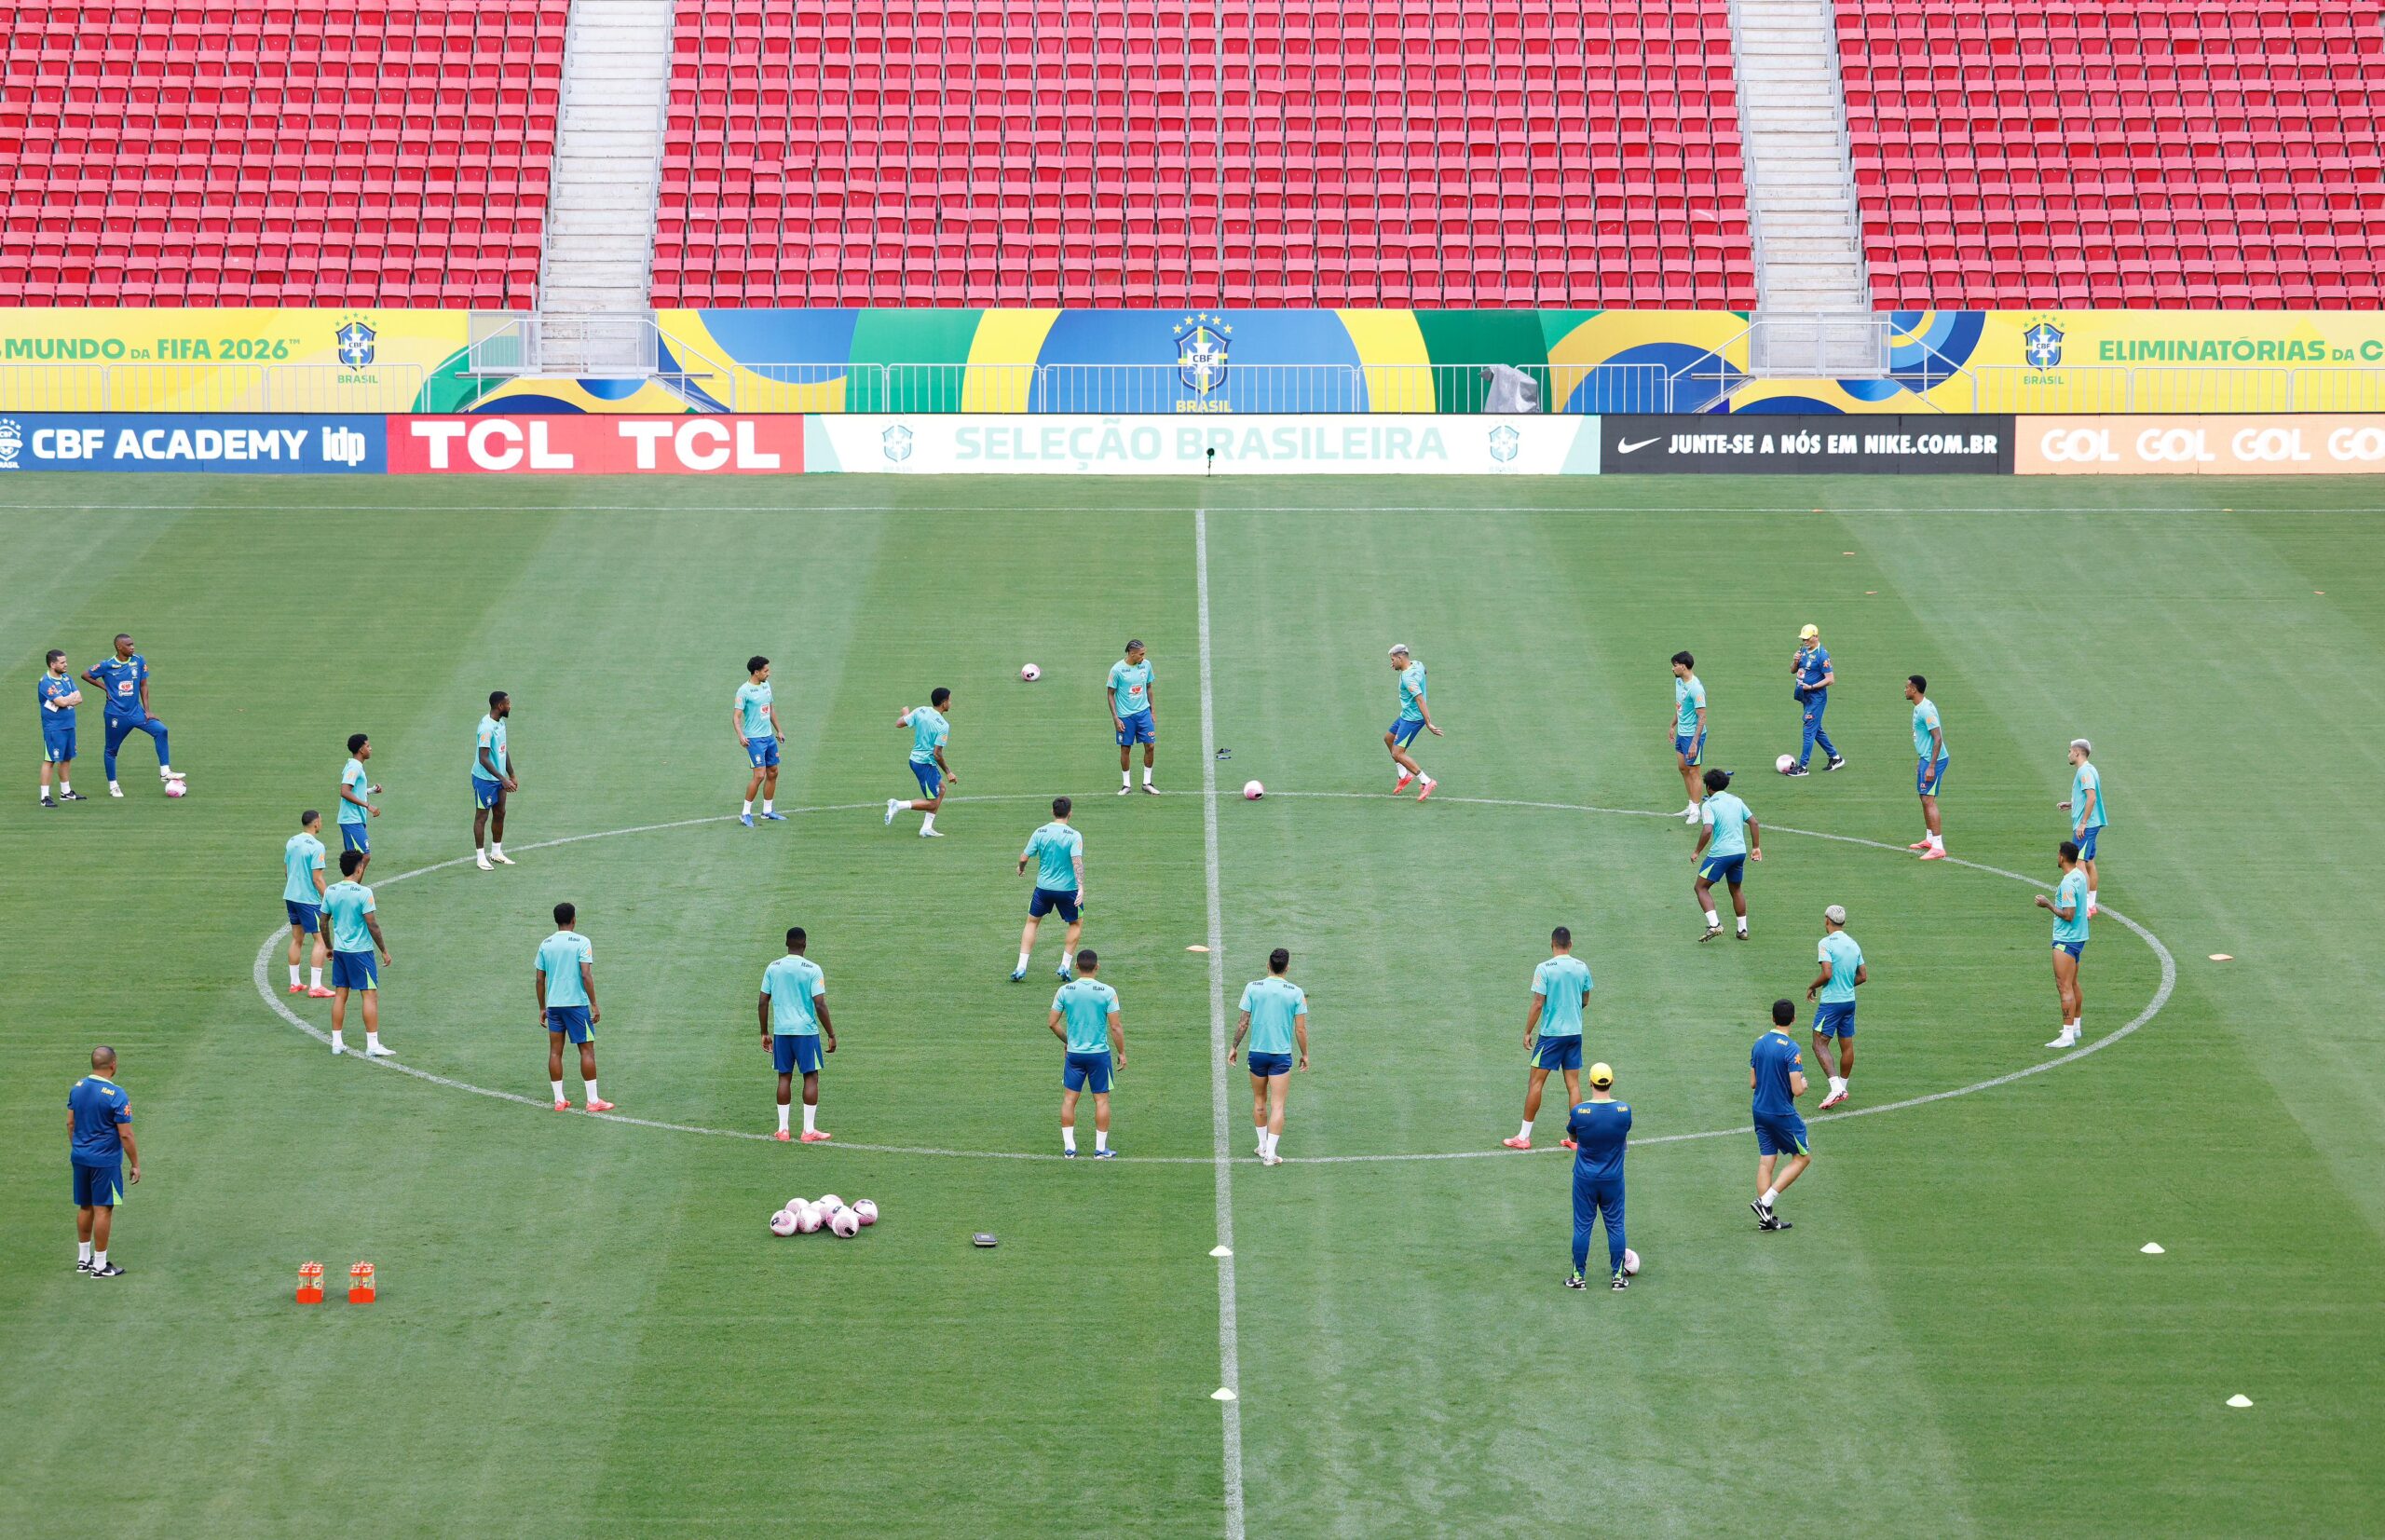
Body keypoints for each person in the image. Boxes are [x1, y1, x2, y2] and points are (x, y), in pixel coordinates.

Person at [1504, 925, 1594, 1151]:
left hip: (1551, 1036)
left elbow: (1537, 1004)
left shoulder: (1544, 968)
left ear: (1552, 944)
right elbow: (1585, 999)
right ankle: (1576, 1139)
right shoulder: (1582, 967)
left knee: (1536, 1082)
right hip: (1574, 1034)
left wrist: (1527, 1032)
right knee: (1573, 1085)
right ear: (1570, 944)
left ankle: (1524, 1137)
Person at [1228, 947, 1309, 1166]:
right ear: (1287, 968)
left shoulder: (1253, 988)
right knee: (1278, 1105)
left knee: (1259, 1101)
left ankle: (1262, 1145)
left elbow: (1243, 1022)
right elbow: (1300, 1030)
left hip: (1257, 1054)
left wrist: (1234, 1046)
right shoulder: (1295, 992)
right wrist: (1305, 1054)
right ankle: (1270, 1154)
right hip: (1281, 1056)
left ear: (1268, 965)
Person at [82, 633, 184, 797]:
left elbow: (144, 685)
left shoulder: (138, 660)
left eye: (133, 644)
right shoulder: (107, 665)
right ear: (119, 647)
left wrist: (148, 710)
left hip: (136, 712)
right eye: (128, 645)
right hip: (115, 715)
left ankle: (165, 771)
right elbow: (86, 675)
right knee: (111, 751)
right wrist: (105, 687)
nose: (132, 647)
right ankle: (113, 785)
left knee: (161, 730)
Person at [68, 1046, 139, 1278]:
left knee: (85, 1205)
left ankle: (83, 1259)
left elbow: (71, 1123)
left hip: (80, 1156)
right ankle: (99, 1265)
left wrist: (79, 1147)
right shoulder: (116, 1094)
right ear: (113, 1064)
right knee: (103, 1208)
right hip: (105, 1161)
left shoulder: (77, 1088)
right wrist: (135, 1163)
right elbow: (126, 1135)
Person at [758, 925, 833, 1141]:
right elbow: (820, 1005)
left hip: (782, 1032)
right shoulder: (812, 969)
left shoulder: (773, 967)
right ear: (804, 944)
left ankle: (783, 1130)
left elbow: (763, 1001)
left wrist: (764, 1032)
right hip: (806, 1033)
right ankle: (808, 1131)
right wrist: (831, 1033)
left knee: (784, 1077)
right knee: (811, 1076)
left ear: (786, 944)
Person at [537, 900, 610, 1111]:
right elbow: (586, 975)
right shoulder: (581, 942)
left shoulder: (546, 944)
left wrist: (542, 1007)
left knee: (555, 1052)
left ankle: (559, 1100)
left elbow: (540, 979)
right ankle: (593, 1101)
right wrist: (594, 1004)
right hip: (576, 1005)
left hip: (554, 1006)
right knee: (587, 1050)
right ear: (574, 920)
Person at [1050, 948, 1124, 1157]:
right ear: (1097, 967)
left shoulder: (1065, 991)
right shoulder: (1107, 992)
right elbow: (1116, 1028)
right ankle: (1100, 1149)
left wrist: (1068, 1041)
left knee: (1069, 1100)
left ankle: (1069, 1148)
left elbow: (1052, 1023)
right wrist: (1122, 1053)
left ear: (1076, 967)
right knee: (1101, 1100)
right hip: (1099, 1055)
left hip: (1074, 1055)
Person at [1564, 1061, 1631, 1290]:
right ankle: (1618, 1277)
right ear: (1611, 1082)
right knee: (1615, 1226)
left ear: (1590, 1083)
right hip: (1613, 1178)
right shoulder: (1624, 1111)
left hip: (1585, 1179)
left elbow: (1573, 1138)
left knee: (1582, 1226)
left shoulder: (1580, 1112)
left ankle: (1578, 1276)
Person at [321, 850, 394, 1057]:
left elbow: (323, 921)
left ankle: (336, 1043)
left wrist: (328, 946)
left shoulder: (331, 891)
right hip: (361, 952)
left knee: (340, 994)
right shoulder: (364, 893)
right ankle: (372, 1045)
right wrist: (384, 951)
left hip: (341, 952)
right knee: (369, 995)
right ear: (359, 868)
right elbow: (373, 925)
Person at [1750, 1000, 1810, 1231]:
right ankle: (1765, 1202)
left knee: (1767, 1161)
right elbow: (1797, 1089)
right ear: (1793, 1019)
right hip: (1781, 1113)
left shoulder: (1759, 1044)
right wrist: (1803, 1084)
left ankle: (1766, 1220)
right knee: (1803, 1157)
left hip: (1760, 1111)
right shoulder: (1791, 1048)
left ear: (1773, 1018)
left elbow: (1753, 1082)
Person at [1013, 796, 1085, 982]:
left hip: (1043, 888)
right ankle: (1065, 965)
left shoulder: (1040, 832)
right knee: (1076, 923)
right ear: (1070, 813)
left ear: (1052, 812)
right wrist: (1081, 887)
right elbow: (1077, 862)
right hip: (1067, 890)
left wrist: (1021, 869)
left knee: (1032, 923)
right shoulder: (1074, 835)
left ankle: (1021, 967)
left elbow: (1024, 857)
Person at [1806, 904, 1867, 1109]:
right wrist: (1846, 985)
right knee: (1846, 1045)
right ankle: (1841, 1087)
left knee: (1818, 1042)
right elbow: (1863, 976)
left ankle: (1836, 1088)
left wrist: (1812, 986)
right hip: (1849, 1002)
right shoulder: (1853, 943)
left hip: (1831, 1003)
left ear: (1827, 920)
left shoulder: (1826, 943)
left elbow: (1827, 973)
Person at [1692, 768, 1761, 941]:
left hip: (1721, 854)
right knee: (1735, 888)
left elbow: (1708, 830)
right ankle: (1743, 930)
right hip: (1739, 853)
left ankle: (1715, 925)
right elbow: (1754, 822)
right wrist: (1756, 847)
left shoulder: (1709, 804)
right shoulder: (1737, 801)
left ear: (1708, 787)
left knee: (1700, 887)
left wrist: (1697, 851)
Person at [2036, 840, 2091, 1049]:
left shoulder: (2068, 883)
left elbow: (2068, 915)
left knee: (2064, 986)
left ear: (2062, 857)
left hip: (2066, 939)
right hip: (2078, 938)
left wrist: (2048, 904)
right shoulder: (2079, 876)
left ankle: (2067, 1036)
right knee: (2073, 982)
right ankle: (2075, 1026)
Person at [885, 688, 954, 837]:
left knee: (941, 789)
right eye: (949, 700)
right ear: (943, 703)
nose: (951, 703)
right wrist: (948, 772)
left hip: (916, 760)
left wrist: (907, 715)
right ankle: (898, 805)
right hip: (925, 765)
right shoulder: (943, 725)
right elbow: (937, 754)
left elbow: (899, 723)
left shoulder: (921, 711)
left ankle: (926, 828)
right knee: (933, 802)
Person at [282, 809, 335, 998]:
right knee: (320, 940)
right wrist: (330, 899)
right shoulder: (316, 846)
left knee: (297, 938)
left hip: (290, 895)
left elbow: (287, 870)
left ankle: (295, 983)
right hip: (308, 899)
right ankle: (315, 986)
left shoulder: (292, 841)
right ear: (315, 823)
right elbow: (317, 879)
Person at [735, 655, 786, 827]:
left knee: (773, 772)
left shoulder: (766, 686)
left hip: (768, 737)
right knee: (759, 775)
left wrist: (778, 730)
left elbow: (771, 709)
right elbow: (736, 717)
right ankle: (745, 813)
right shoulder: (744, 691)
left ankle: (767, 811)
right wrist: (741, 735)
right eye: (765, 671)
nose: (769, 673)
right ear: (756, 672)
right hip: (754, 739)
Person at [1787, 624, 1846, 775]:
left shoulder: (1822, 655)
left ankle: (1803, 766)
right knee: (1815, 729)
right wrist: (1795, 661)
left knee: (1808, 729)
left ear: (1816, 637)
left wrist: (1811, 686)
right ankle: (1835, 757)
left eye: (1807, 638)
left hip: (1816, 698)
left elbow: (1830, 679)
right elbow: (1793, 670)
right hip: (1804, 697)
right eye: (1803, 638)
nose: (1805, 641)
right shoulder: (1803, 651)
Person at [1384, 644, 1440, 800]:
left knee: (1397, 753)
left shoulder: (1408, 678)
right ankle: (1404, 776)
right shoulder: (1417, 664)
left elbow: (1420, 699)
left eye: (1393, 659)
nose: (1392, 663)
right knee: (1388, 738)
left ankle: (1427, 781)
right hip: (1405, 715)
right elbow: (1424, 671)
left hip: (1413, 719)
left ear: (1400, 658)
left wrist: (1428, 723)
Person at [472, 689, 519, 870]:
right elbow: (483, 758)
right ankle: (480, 857)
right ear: (500, 706)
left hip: (499, 778)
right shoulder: (486, 728)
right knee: (482, 816)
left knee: (500, 812)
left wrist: (511, 774)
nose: (510, 706)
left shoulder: (500, 723)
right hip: (485, 779)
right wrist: (503, 779)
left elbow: (502, 749)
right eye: (508, 703)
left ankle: (496, 852)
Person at [1108, 638, 1160, 795]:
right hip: (1125, 716)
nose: (1143, 657)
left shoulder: (1146, 665)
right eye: (1140, 654)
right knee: (1125, 748)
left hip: (1144, 713)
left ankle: (1147, 783)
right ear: (1131, 653)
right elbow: (1110, 694)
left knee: (1150, 746)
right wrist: (1116, 718)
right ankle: (1126, 785)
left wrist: (1152, 711)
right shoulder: (1117, 670)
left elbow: (1149, 687)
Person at [2060, 738, 2106, 915]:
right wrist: (2072, 804)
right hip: (2093, 823)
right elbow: (2087, 797)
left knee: (2079, 863)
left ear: (2077, 752)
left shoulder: (2084, 772)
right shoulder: (2090, 769)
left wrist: (2083, 823)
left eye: (2070, 751)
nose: (2069, 754)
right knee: (2089, 862)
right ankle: (2091, 904)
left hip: (2087, 825)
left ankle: (2085, 907)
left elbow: (2092, 797)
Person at [1905, 675, 1948, 860]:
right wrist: (1922, 759)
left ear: (1914, 689)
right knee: (1924, 798)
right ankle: (1930, 839)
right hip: (1926, 759)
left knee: (1929, 800)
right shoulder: (1918, 707)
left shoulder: (1926, 711)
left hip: (1935, 761)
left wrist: (1931, 765)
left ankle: (1938, 846)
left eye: (1907, 687)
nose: (1905, 690)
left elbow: (1938, 738)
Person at [37, 648, 85, 807]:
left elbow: (80, 698)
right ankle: (45, 797)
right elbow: (62, 702)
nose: (66, 665)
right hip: (54, 728)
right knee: (50, 759)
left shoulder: (66, 678)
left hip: (69, 725)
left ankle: (66, 792)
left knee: (66, 758)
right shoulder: (46, 682)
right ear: (52, 664)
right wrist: (68, 699)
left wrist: (66, 699)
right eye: (62, 662)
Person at [334, 732, 380, 872]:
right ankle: (352, 889)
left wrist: (371, 790)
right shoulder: (354, 767)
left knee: (355, 859)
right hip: (351, 819)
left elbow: (355, 792)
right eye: (368, 745)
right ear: (361, 750)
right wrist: (368, 806)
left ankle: (351, 890)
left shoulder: (356, 766)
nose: (370, 748)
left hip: (354, 819)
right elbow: (345, 791)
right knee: (364, 857)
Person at [1670, 650, 1706, 821]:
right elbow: (1680, 706)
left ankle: (1696, 811)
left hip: (1693, 736)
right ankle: (1691, 805)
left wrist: (1694, 743)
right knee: (1683, 768)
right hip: (1681, 733)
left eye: (1675, 665)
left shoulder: (1696, 688)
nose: (1673, 669)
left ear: (1683, 666)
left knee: (1694, 771)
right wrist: (1672, 725)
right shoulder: (1679, 682)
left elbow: (1702, 716)